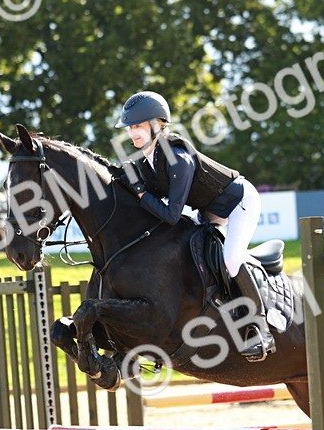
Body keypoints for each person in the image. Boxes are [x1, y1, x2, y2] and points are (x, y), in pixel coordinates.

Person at [115, 90, 274, 360]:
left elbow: (171, 215)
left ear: (157, 125)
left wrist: (140, 193)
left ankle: (260, 329)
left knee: (231, 259)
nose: (133, 133)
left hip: (238, 203)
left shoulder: (178, 158)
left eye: (138, 126)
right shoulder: (149, 160)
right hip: (208, 210)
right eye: (130, 128)